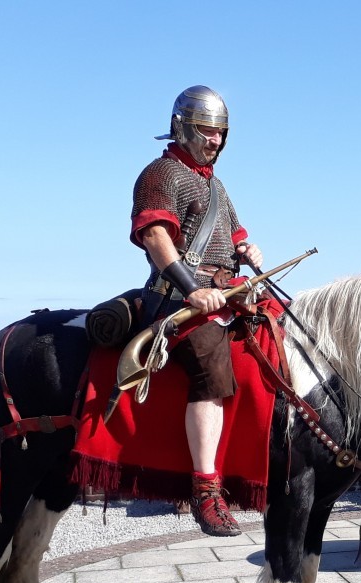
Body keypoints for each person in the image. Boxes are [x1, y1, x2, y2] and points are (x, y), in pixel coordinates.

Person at [130, 85, 263, 537]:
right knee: (210, 364)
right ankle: (205, 489)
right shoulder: (160, 173)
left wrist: (247, 248)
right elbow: (156, 238)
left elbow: (234, 232)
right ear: (183, 127)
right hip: (174, 297)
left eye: (221, 132)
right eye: (208, 131)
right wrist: (191, 291)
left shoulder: (214, 184)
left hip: (225, 293)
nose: (216, 141)